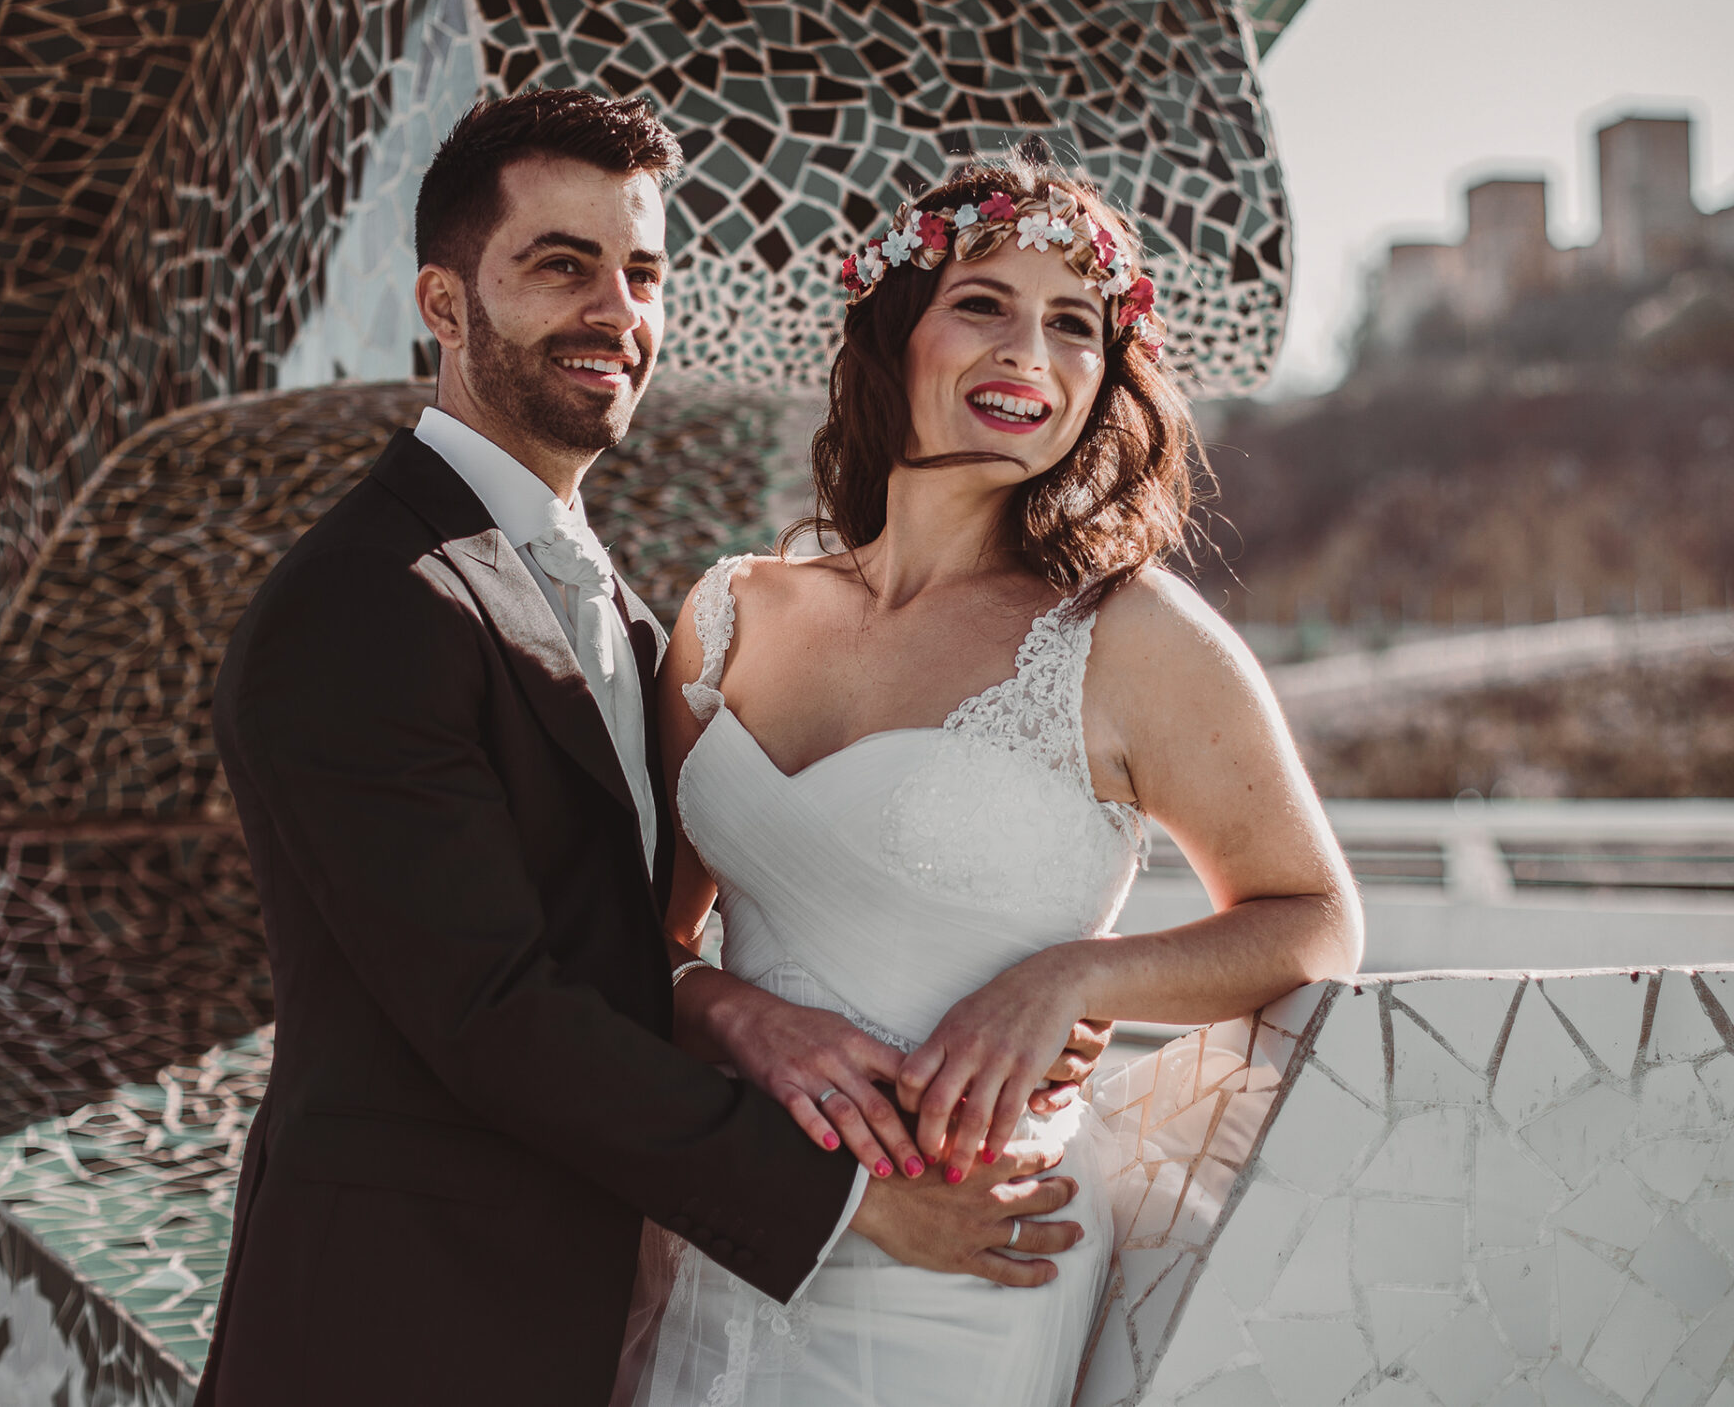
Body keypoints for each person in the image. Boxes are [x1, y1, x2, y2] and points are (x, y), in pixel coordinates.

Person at [194, 92, 1103, 1405]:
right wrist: (852, 1202)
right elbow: (489, 1010)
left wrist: (758, 1001)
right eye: (561, 266)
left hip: (592, 1318)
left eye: (642, 272)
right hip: (399, 1328)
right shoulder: (365, 598)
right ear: (443, 303)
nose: (614, 311)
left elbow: (614, 933)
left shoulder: (611, 602)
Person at [625, 150, 1364, 1405]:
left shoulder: (1131, 635)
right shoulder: (729, 616)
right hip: (738, 1227)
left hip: (973, 1250)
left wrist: (1074, 976)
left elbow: (1315, 921)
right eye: (983, 303)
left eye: (1074, 323)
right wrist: (735, 1016)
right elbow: (641, 942)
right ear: (894, 333)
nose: (1030, 351)